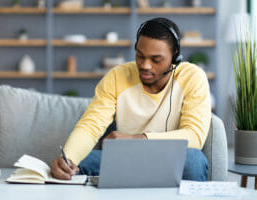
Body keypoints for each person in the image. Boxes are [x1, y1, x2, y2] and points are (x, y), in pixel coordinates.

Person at [51, 17, 211, 181]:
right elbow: (90, 126)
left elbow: (194, 136)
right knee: (79, 162)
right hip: (124, 161)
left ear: (175, 56)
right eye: (140, 56)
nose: (145, 65)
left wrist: (137, 140)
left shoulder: (193, 77)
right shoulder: (117, 76)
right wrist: (68, 159)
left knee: (193, 160)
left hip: (171, 160)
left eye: (156, 59)